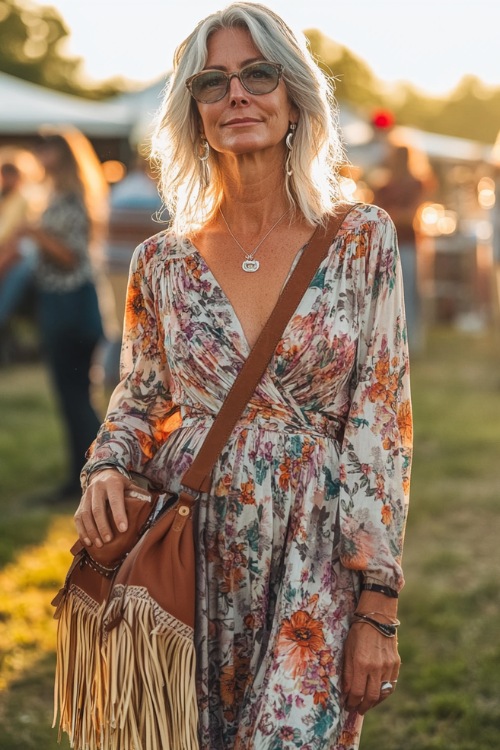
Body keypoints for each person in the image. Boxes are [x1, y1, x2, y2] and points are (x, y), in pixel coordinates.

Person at [75, 3, 412, 749]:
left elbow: (381, 426)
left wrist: (377, 605)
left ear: (293, 96)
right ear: (193, 112)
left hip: (313, 560)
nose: (236, 96)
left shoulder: (360, 239)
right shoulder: (162, 261)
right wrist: (105, 465)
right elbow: (141, 396)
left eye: (257, 74)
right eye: (212, 82)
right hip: (185, 557)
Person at [18, 129, 109, 501]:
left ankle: (87, 477)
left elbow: (71, 256)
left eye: (47, 149)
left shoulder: (72, 199)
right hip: (66, 304)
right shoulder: (58, 196)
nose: (40, 155)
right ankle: (83, 475)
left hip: (71, 304)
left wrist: (35, 234)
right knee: (73, 395)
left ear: (64, 155)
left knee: (75, 396)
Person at [373, 144, 426, 355]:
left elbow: (409, 215)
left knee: (409, 293)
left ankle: (411, 343)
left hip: (406, 244)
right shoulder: (384, 186)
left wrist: (390, 215)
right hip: (387, 246)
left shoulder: (416, 184)